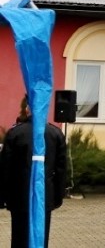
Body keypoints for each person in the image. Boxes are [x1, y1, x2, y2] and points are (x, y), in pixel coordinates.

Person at [0, 97, 68, 248]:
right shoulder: (55, 134)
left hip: (19, 198)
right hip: (44, 197)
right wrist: (57, 197)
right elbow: (61, 170)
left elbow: (5, 169)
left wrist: (3, 197)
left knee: (19, 237)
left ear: (27, 109)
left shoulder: (15, 133)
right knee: (41, 237)